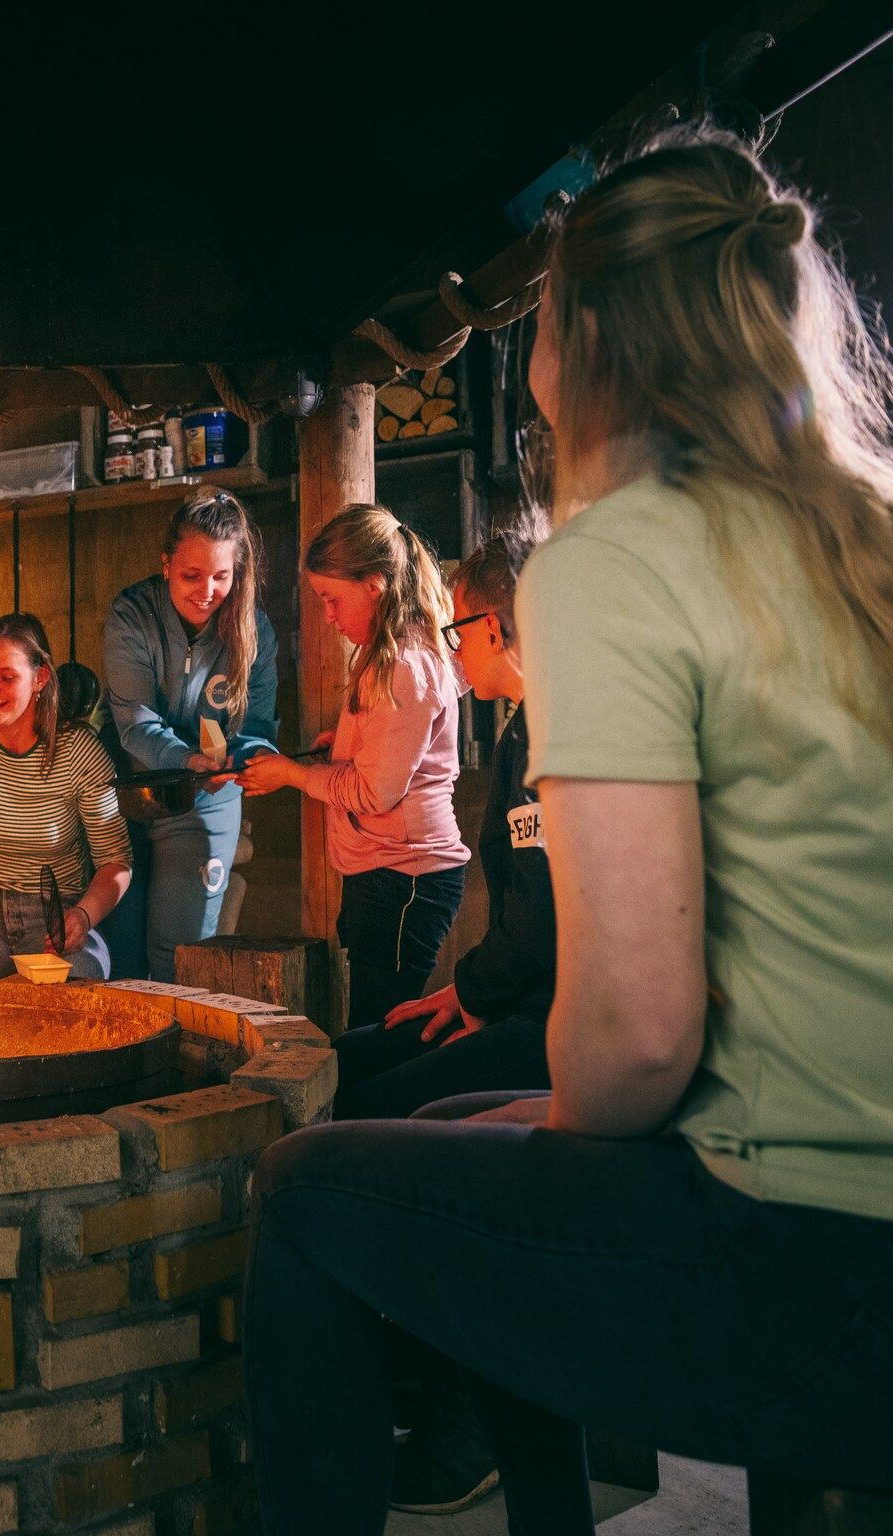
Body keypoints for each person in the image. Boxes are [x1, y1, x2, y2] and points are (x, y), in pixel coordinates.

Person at [244, 124, 893, 1536]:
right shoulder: (864, 535)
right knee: (489, 1126)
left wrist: (572, 1110)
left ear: (587, 329)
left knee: (303, 1190)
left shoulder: (618, 561)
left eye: (541, 296)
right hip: (862, 1210)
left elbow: (641, 1035)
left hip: (812, 1256)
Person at [333, 514, 555, 1121]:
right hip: (517, 997)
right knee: (341, 1060)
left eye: (457, 631)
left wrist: (482, 999)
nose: (452, 648)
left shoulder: (555, 738)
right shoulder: (524, 727)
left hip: (553, 1020)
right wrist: (466, 992)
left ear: (490, 628)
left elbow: (542, 922)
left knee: (364, 1104)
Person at [238, 503, 468, 1030]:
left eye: (331, 599)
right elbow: (399, 748)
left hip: (406, 875)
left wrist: (290, 774)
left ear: (374, 585)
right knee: (374, 1026)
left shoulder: (404, 665)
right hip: (387, 870)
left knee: (378, 1033)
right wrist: (346, 740)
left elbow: (376, 792)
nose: (328, 616)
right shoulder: (393, 652)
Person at [104, 492, 280, 980]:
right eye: (191, 576)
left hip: (208, 797)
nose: (206, 591)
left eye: (221, 577)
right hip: (132, 792)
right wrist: (185, 759)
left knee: (180, 956)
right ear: (166, 564)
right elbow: (135, 722)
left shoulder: (255, 631)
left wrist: (245, 761)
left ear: (237, 571)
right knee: (120, 957)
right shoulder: (132, 615)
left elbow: (259, 726)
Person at [0, 613, 132, 980]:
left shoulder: (80, 752)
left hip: (53, 916)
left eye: (7, 677)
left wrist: (82, 916)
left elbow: (116, 862)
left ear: (40, 678)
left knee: (77, 983)